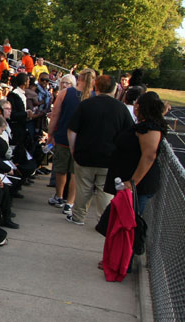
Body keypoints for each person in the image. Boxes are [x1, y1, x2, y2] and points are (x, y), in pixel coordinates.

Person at [66, 75, 134, 225]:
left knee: (83, 188)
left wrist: (73, 149)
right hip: (109, 157)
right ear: (114, 89)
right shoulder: (120, 108)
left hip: (84, 154)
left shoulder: (86, 105)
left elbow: (72, 130)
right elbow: (129, 133)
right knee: (105, 191)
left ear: (96, 87)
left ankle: (78, 216)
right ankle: (103, 221)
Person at [105, 91, 168, 215]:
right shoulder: (145, 125)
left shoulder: (150, 129)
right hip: (128, 181)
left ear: (138, 106)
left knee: (129, 221)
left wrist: (133, 183)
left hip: (138, 186)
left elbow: (149, 156)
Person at [46, 72, 90, 213]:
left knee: (61, 169)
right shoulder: (94, 96)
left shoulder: (65, 93)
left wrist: (50, 134)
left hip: (63, 137)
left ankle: (59, 196)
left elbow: (55, 115)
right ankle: (70, 202)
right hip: (83, 141)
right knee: (75, 172)